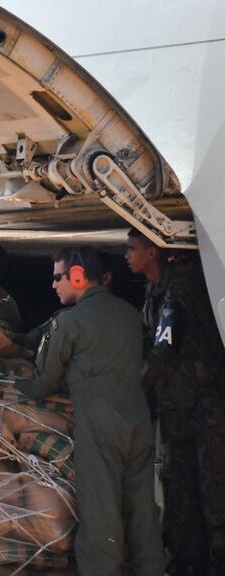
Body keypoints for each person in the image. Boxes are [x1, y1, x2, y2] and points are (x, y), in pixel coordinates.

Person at [15, 246, 163, 575]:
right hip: (138, 420)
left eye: (58, 277)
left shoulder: (70, 322)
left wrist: (16, 388)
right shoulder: (129, 313)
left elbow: (45, 383)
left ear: (78, 276)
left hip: (100, 425)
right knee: (142, 508)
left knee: (101, 512)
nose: (54, 285)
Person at [126, 227, 225, 574]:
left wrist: (131, 390)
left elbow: (163, 349)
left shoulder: (178, 289)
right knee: (179, 490)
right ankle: (188, 561)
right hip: (177, 408)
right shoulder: (154, 291)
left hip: (204, 410)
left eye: (132, 248)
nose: (126, 255)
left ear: (153, 252)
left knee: (213, 491)